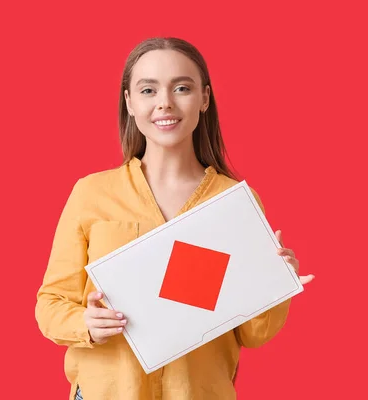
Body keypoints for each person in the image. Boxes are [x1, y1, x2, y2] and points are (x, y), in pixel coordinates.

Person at [35, 37, 315, 400]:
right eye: (148, 89)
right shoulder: (91, 194)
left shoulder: (232, 202)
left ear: (204, 99)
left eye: (182, 87)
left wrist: (276, 284)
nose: (164, 102)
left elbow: (253, 334)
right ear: (130, 103)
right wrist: (84, 323)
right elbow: (51, 303)